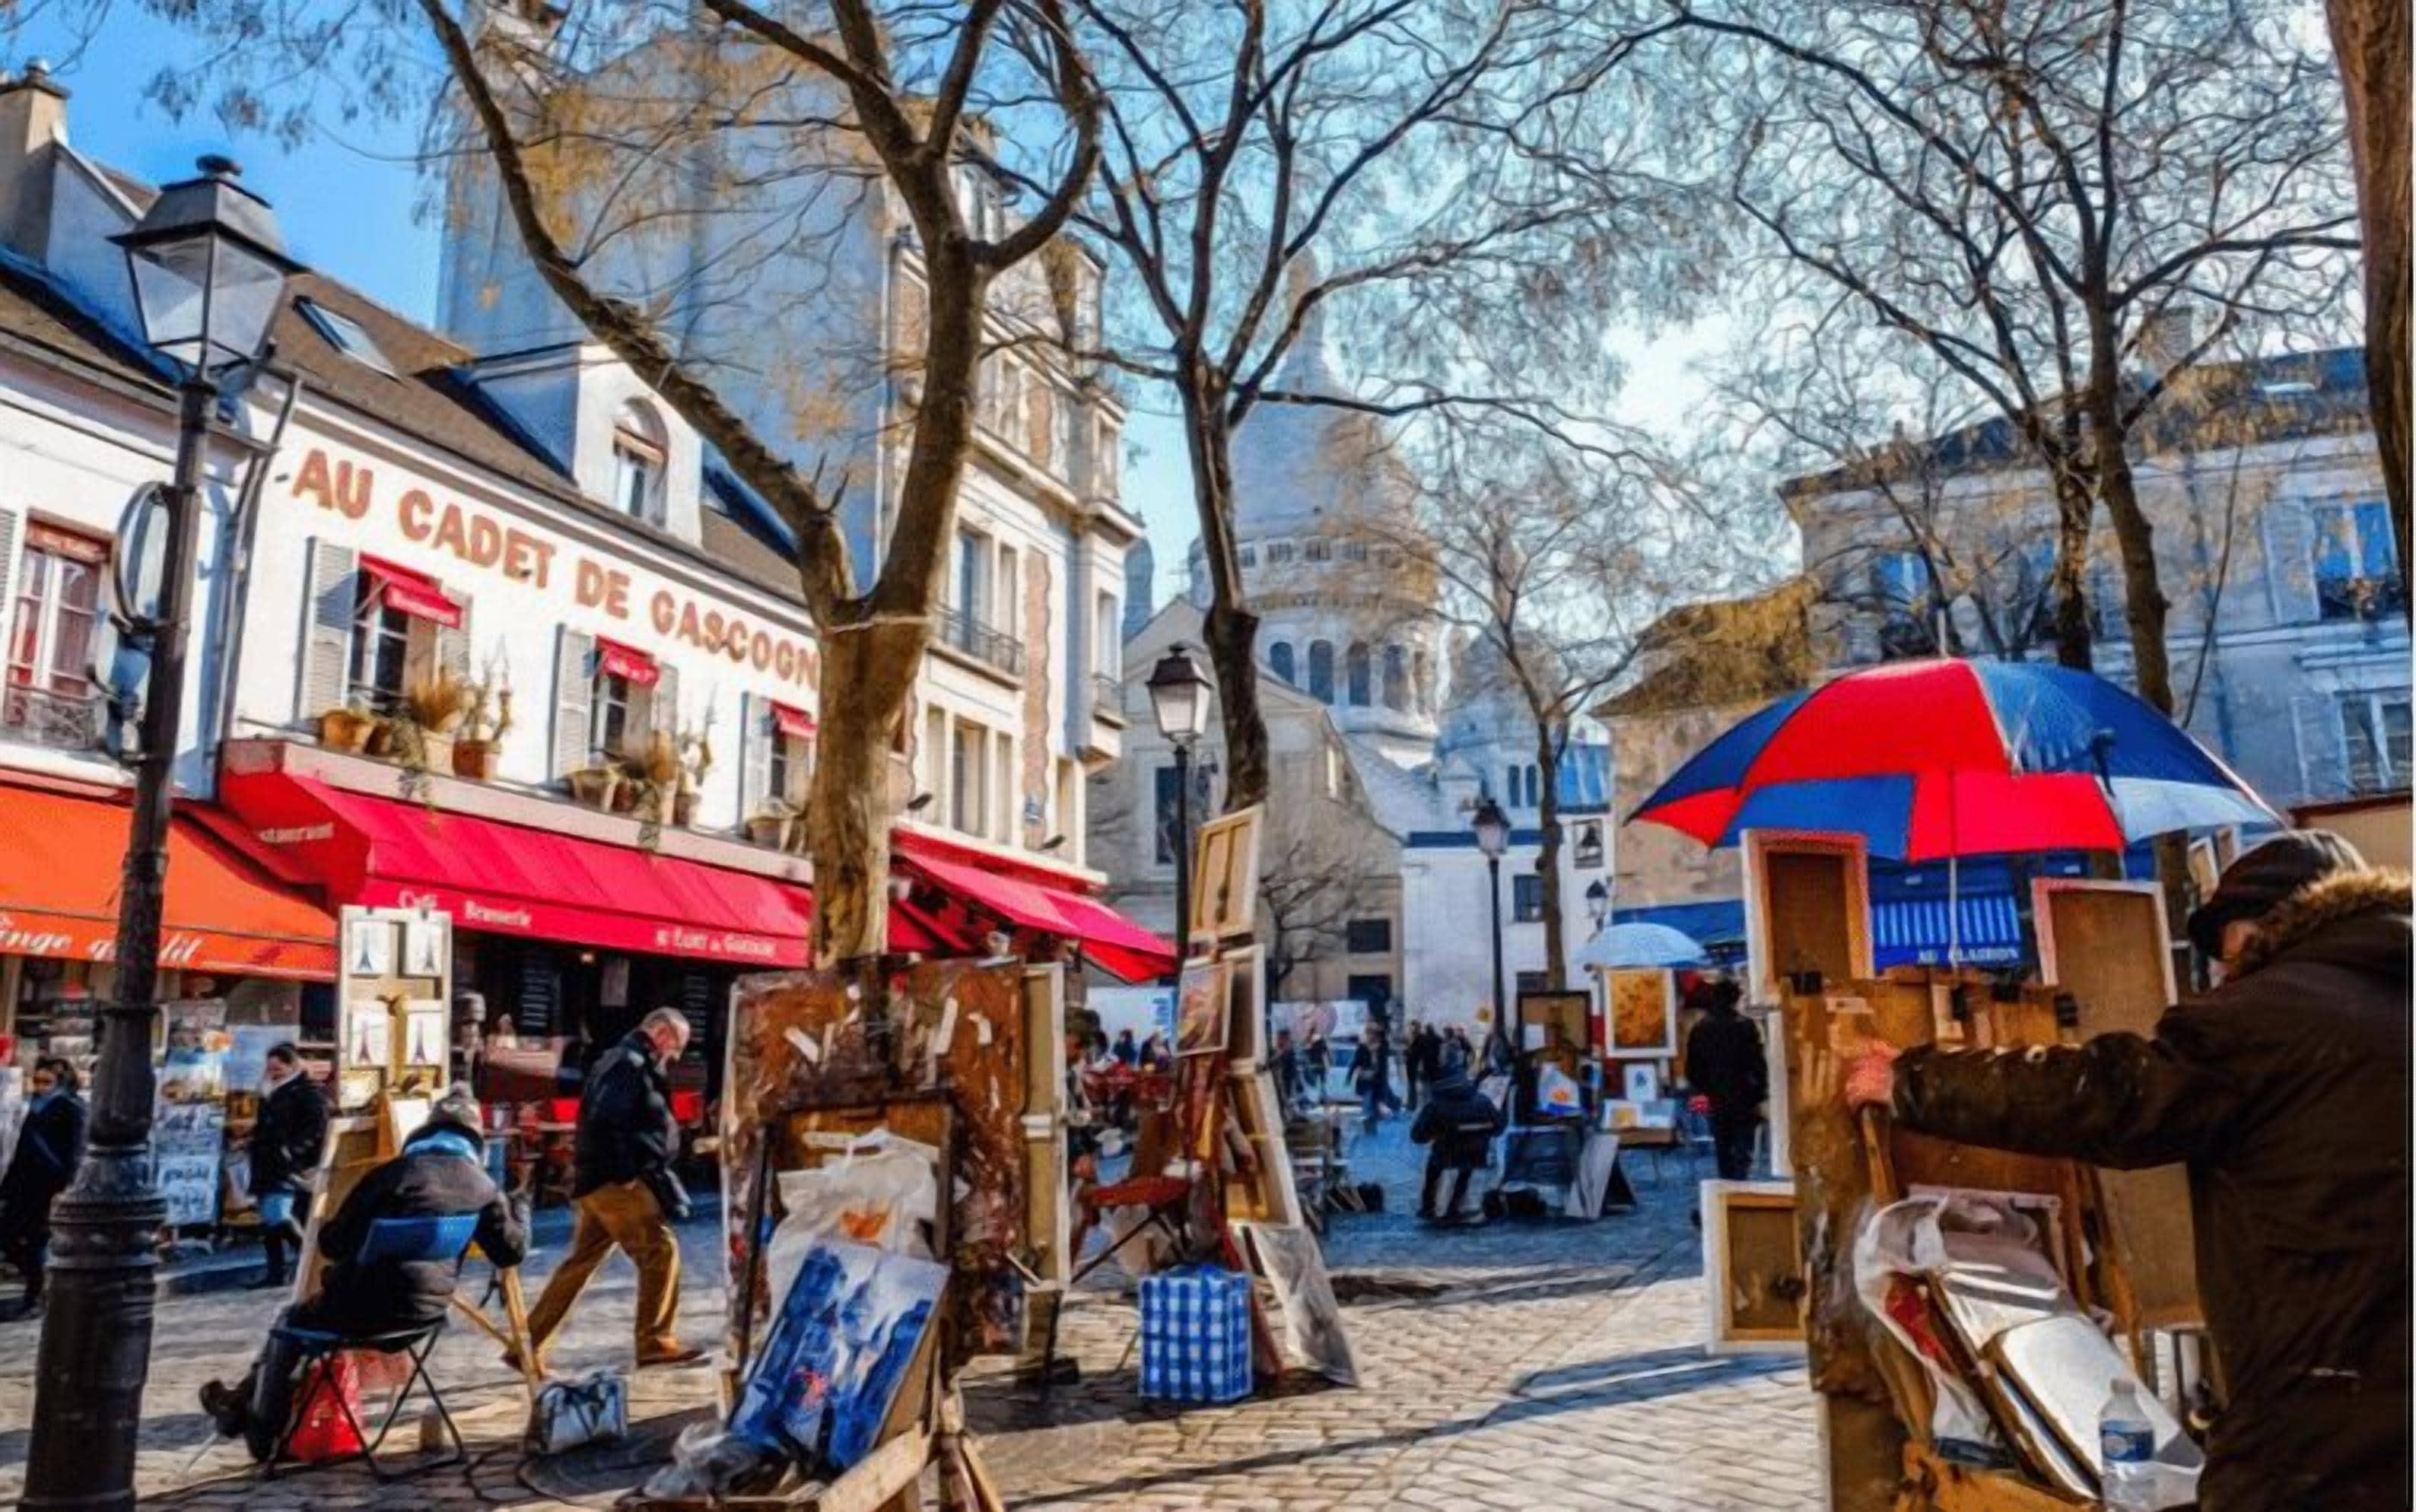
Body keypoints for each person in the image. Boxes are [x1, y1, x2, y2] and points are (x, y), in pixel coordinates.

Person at [1845, 831, 2409, 1512]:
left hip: (2322, 1394)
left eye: (2229, 952)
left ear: (2265, 928)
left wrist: (1913, 1080)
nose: (2227, 974)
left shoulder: (2268, 1015)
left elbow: (2108, 1096)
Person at [199, 1085, 526, 1461]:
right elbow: (510, 1252)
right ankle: (240, 1405)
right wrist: (521, 1208)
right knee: (312, 1319)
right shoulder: (482, 1185)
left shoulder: (394, 1175)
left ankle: (260, 1433)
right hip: (427, 1316)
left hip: (362, 1311)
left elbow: (334, 1244)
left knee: (291, 1321)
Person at [521, 1007, 703, 1371]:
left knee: (580, 1263)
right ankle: (654, 1341)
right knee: (660, 1250)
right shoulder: (627, 1063)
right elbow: (607, 1120)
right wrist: (625, 1174)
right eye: (677, 1045)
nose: (677, 1054)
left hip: (599, 1180)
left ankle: (525, 1346)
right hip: (614, 1182)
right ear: (661, 1033)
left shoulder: (629, 1061)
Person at [0, 1058, 85, 1318]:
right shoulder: (37, 1107)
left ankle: (35, 1297)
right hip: (24, 1185)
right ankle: (38, 1289)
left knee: (35, 1240)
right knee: (9, 1236)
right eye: (35, 1081)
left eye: (46, 1082)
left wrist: (65, 1187)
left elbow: (73, 1152)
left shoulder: (70, 1108)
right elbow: (23, 1149)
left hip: (48, 1186)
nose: (39, 1087)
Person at [249, 1043, 331, 1289]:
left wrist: (293, 1150)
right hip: (265, 1161)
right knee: (268, 1220)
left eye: (278, 1067)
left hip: (288, 1164)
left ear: (291, 1065)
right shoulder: (268, 1091)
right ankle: (276, 1272)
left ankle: (311, 1262)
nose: (273, 1072)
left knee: (278, 1215)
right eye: (270, 1067)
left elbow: (317, 1126)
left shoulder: (306, 1092)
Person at [1683, 980, 1765, 1180]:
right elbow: (1757, 1062)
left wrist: (1705, 1088)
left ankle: (1728, 1184)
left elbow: (1692, 1068)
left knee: (1723, 1146)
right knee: (1742, 1146)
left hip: (1716, 1096)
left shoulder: (1700, 1029)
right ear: (1735, 999)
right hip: (1743, 1094)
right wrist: (1761, 1088)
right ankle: (1740, 1180)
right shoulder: (1745, 1026)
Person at [1410, 1065, 1504, 1222]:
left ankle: (1428, 1206)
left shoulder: (1435, 1106)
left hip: (1446, 1153)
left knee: (1434, 1166)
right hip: (1477, 1153)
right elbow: (1499, 1126)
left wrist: (1436, 1133)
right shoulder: (1483, 1101)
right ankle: (1454, 1205)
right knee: (1466, 1166)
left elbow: (1417, 1136)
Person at [1353, 1025, 1402, 1130]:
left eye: (1369, 1034)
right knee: (1369, 1106)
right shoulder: (1363, 1047)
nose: (1367, 1036)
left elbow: (1382, 1067)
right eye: (1367, 1034)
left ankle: (1373, 1125)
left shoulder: (1382, 1048)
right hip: (1367, 1083)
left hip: (1378, 1082)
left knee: (1375, 1106)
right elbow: (1356, 1063)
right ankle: (1370, 1127)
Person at [1405, 1022, 1440, 1111]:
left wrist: (1410, 1052)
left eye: (1413, 1029)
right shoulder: (1413, 1039)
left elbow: (1422, 1053)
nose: (1412, 1031)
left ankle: (1424, 1107)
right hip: (1413, 1067)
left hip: (1421, 1067)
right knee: (1414, 1087)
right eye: (1411, 1029)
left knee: (1423, 1089)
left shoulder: (1422, 1039)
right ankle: (1412, 1105)